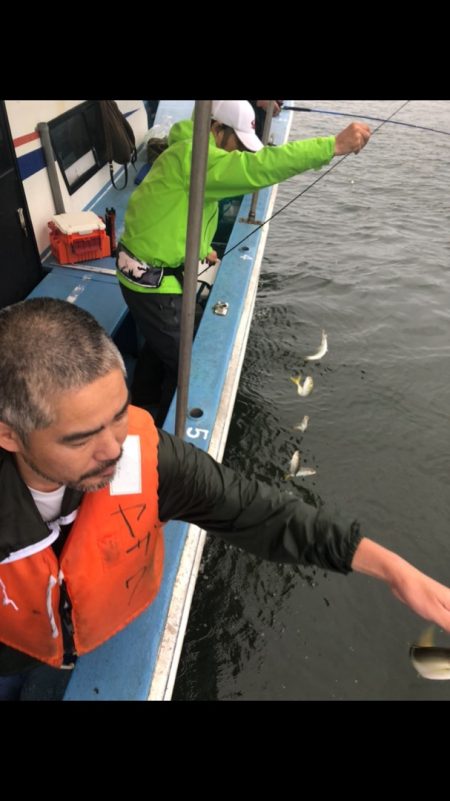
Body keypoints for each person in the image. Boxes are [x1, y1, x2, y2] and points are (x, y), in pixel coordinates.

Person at [1, 298, 450, 701]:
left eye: (119, 415)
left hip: (103, 629)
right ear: (9, 434)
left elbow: (255, 511)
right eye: (80, 440)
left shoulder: (146, 458)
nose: (114, 450)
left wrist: (392, 569)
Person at [116, 100, 371, 426]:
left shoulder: (186, 147)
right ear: (215, 128)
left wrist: (203, 247)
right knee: (187, 366)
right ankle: (165, 441)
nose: (239, 153)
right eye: (236, 141)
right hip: (153, 286)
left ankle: (143, 401)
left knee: (159, 343)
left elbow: (179, 209)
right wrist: (331, 146)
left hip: (139, 274)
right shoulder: (199, 159)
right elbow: (261, 167)